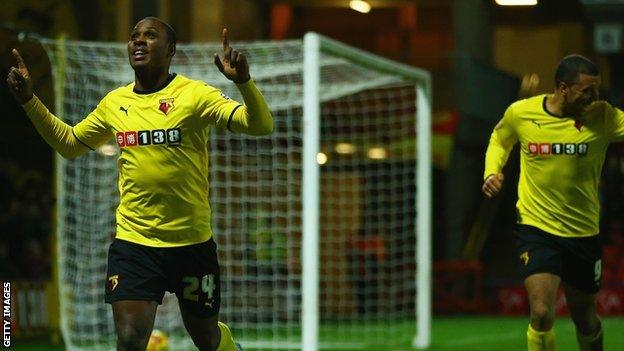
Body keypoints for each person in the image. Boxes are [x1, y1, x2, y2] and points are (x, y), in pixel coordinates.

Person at [6, 17, 273, 351]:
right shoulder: (114, 103)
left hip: (191, 243)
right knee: (131, 340)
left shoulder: (195, 95)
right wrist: (30, 102)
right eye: (134, 36)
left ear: (171, 49)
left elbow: (260, 125)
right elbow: (69, 144)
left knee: (206, 337)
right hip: (135, 243)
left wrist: (245, 82)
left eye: (150, 35)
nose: (139, 41)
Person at [482, 54, 624, 351]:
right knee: (542, 312)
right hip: (537, 228)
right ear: (563, 88)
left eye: (597, 89)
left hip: (583, 232)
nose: (594, 97)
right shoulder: (522, 113)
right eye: (587, 91)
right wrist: (493, 171)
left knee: (585, 318)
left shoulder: (604, 116)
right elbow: (500, 139)